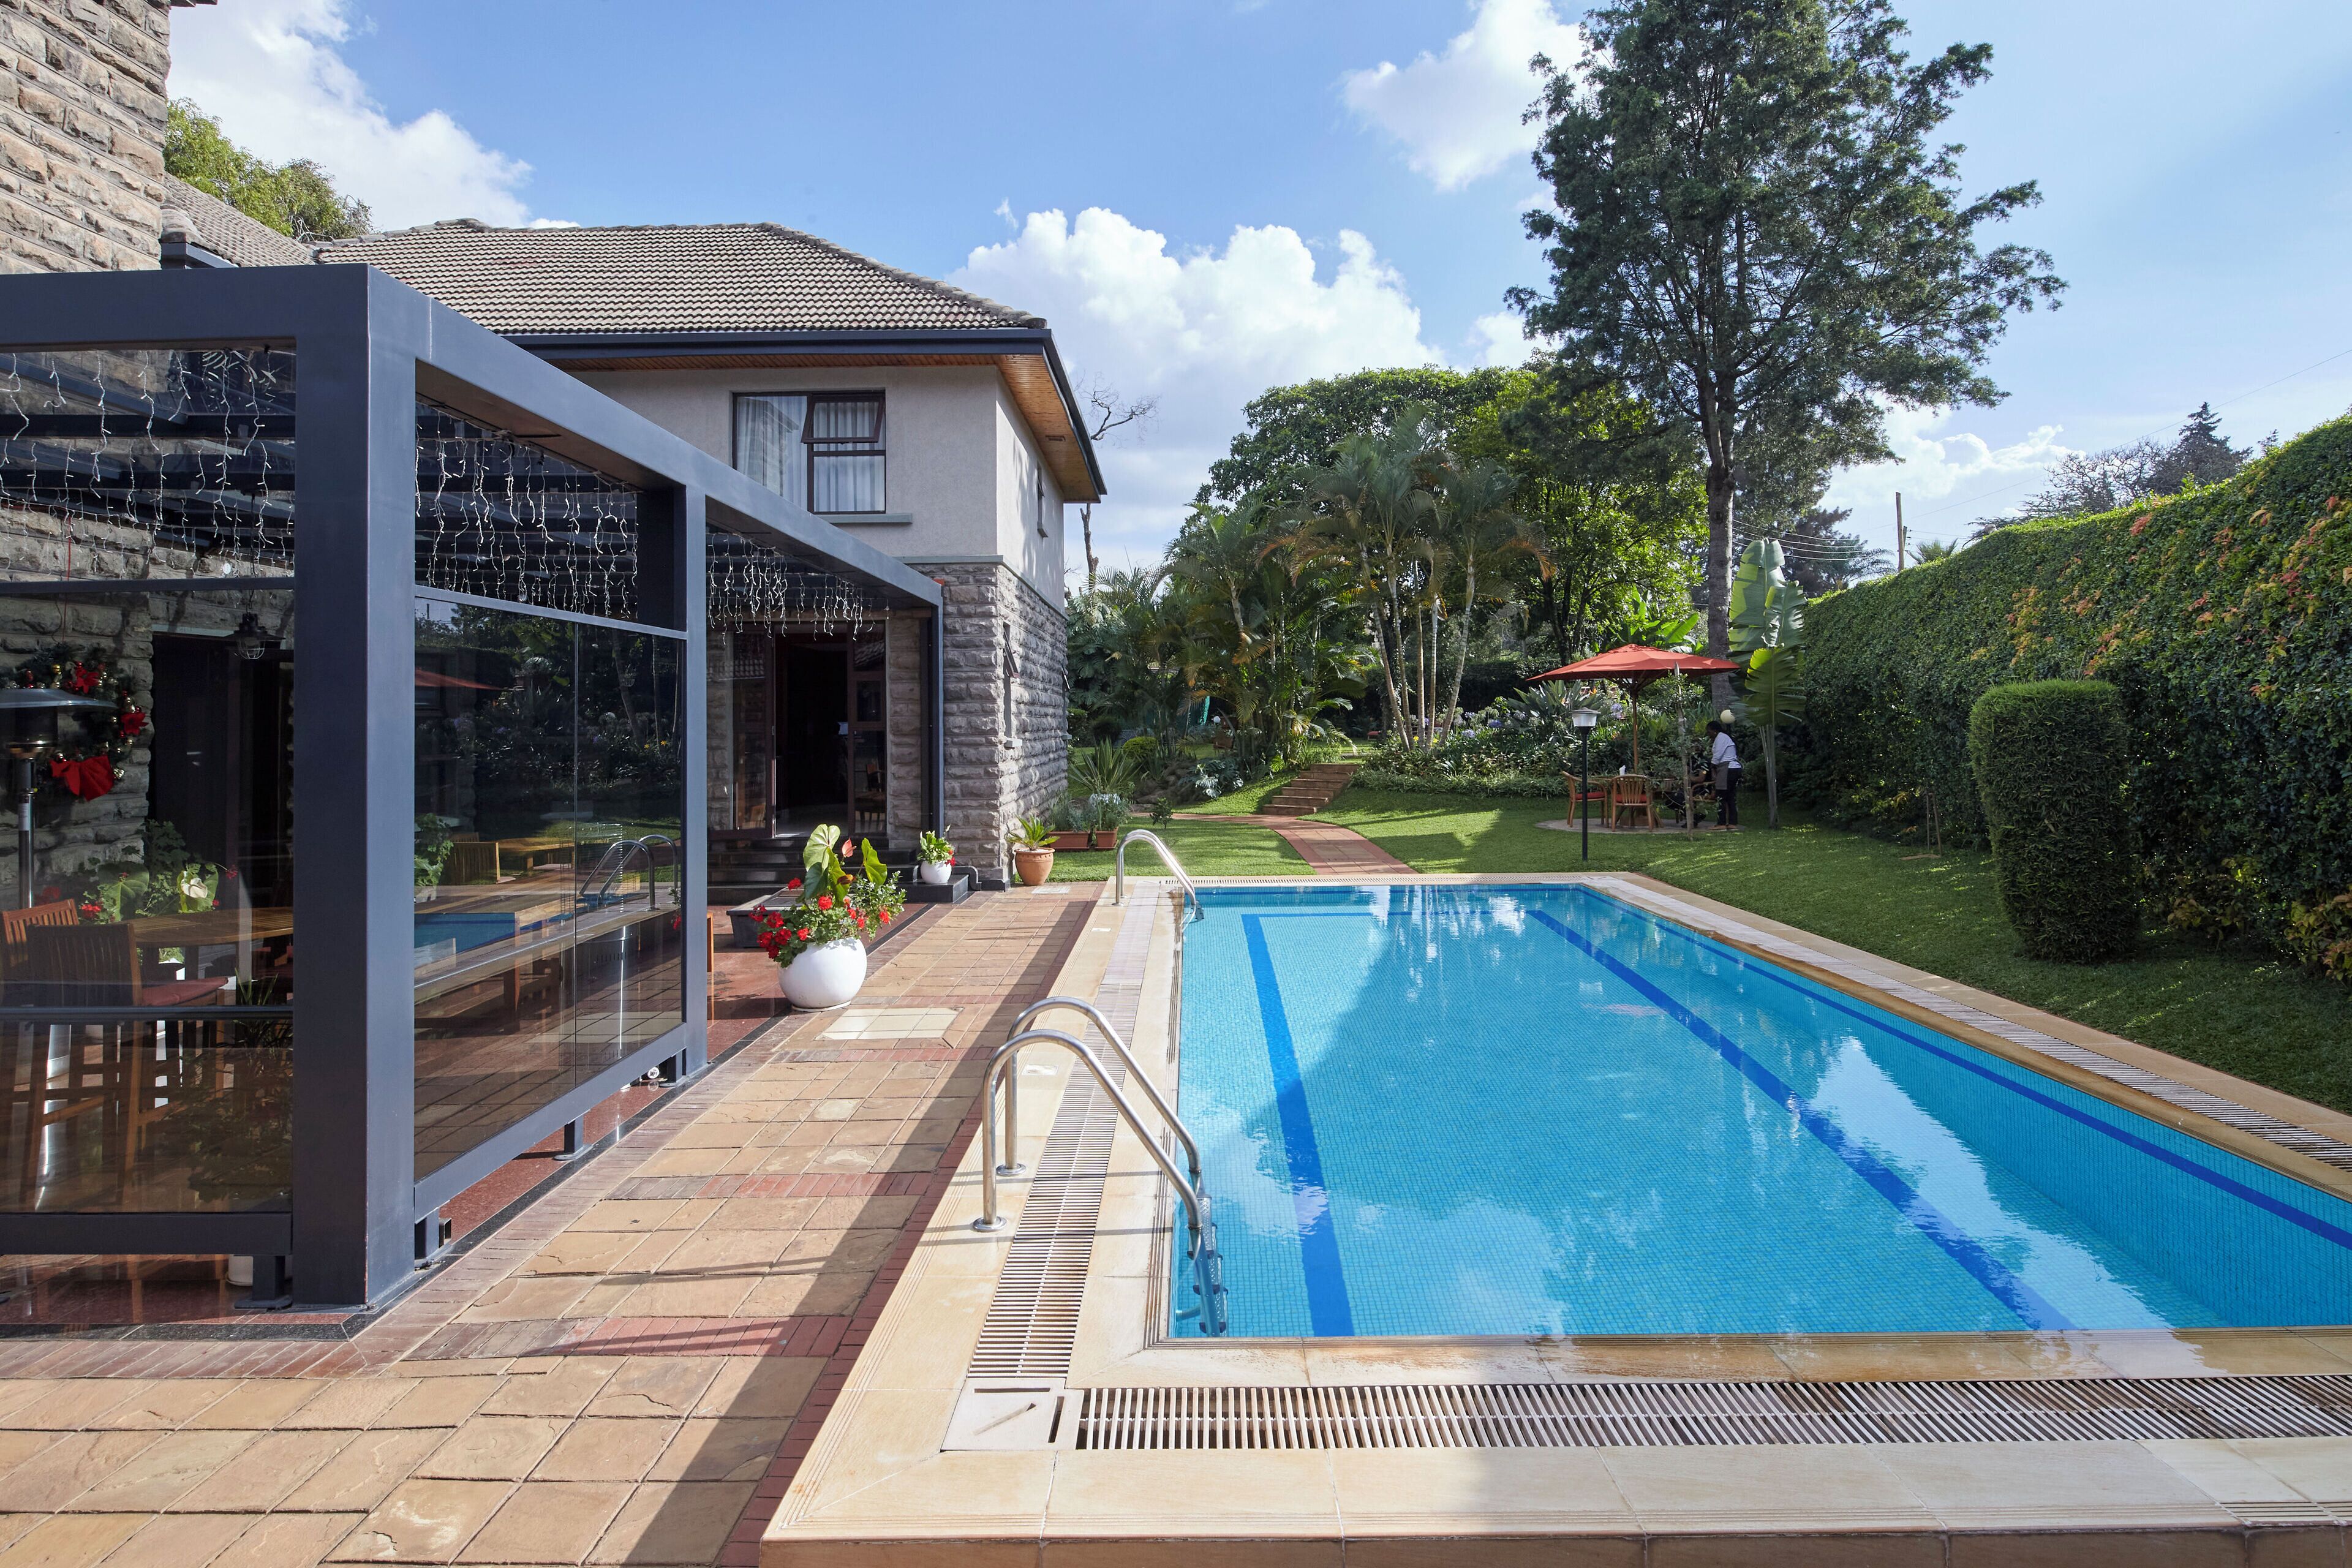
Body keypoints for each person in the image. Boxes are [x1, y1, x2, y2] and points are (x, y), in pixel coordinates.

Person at [1707, 720, 1741, 829]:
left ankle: (1721, 823)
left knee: (1721, 796)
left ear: (1715, 731)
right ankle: (1732, 823)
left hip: (1728, 769)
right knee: (1730, 796)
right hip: (1733, 769)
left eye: (1709, 732)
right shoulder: (1723, 738)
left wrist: (1712, 766)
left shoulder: (1721, 738)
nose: (1709, 734)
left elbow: (1718, 755)